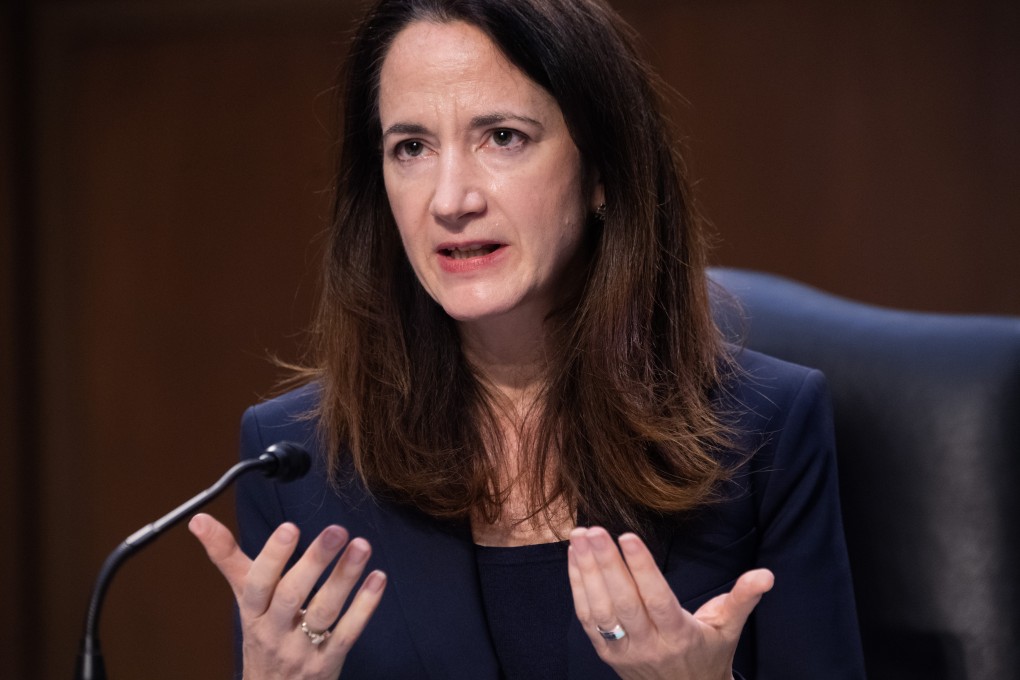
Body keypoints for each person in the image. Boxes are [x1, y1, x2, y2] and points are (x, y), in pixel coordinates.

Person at [188, 0, 865, 678]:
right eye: (412, 148)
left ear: (602, 169)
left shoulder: (761, 430)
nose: (451, 200)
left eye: (503, 137)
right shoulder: (297, 463)